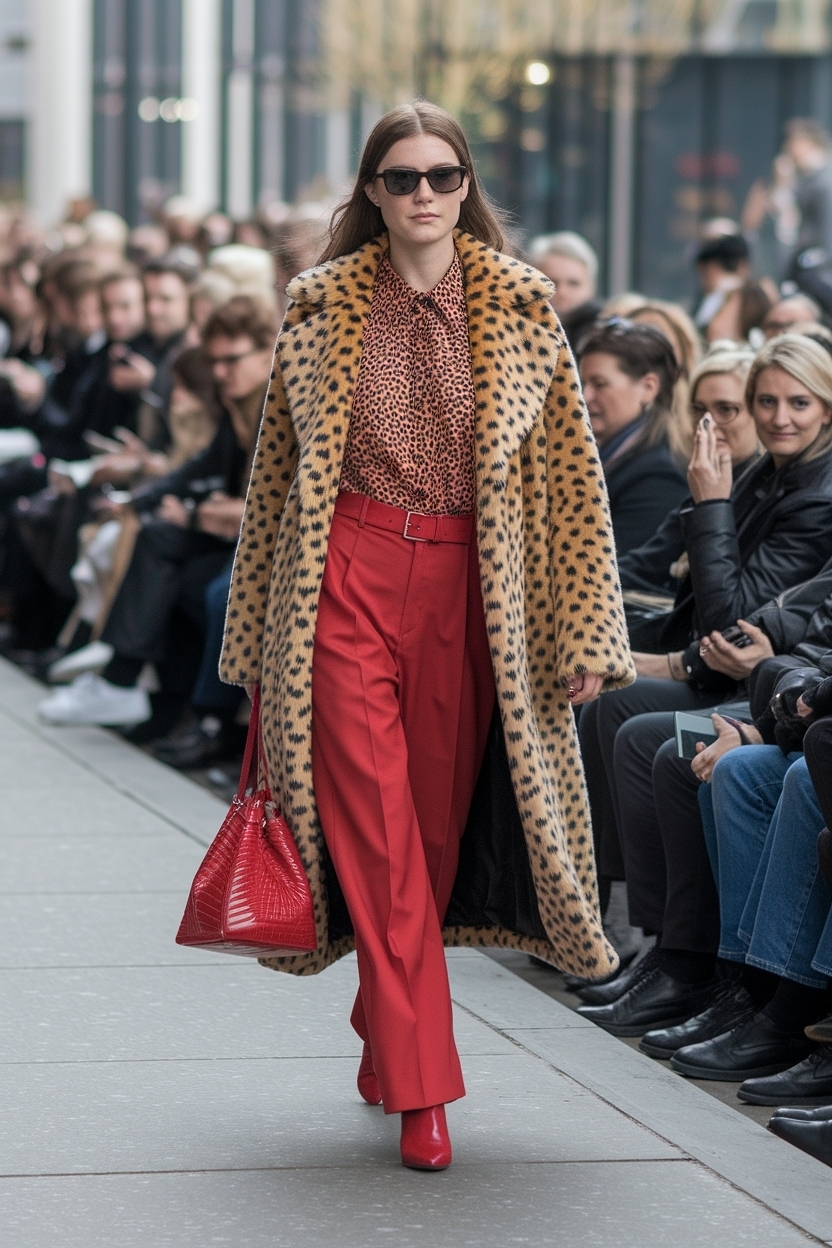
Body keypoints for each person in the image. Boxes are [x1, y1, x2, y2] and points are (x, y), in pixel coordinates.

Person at [218, 102, 633, 1171]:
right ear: (369, 191)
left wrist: (585, 628)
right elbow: (273, 487)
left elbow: (574, 486)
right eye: (398, 178)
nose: (421, 196)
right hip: (344, 580)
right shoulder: (317, 307)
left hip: (470, 594)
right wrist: (254, 642)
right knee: (388, 847)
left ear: (466, 186)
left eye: (441, 176)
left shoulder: (523, 308)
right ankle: (424, 1092)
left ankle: (386, 1014)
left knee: (435, 839)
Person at [579, 334, 832, 936]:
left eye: (798, 403)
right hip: (743, 673)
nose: (779, 418)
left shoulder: (811, 494)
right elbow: (650, 570)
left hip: (768, 689)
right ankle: (621, 924)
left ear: (825, 407)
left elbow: (733, 625)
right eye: (765, 402)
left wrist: (712, 505)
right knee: (605, 697)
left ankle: (660, 943)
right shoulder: (762, 474)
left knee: (640, 728)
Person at [38, 296, 276, 732]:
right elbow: (197, 468)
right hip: (232, 534)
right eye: (215, 361)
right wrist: (134, 502)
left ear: (267, 351)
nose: (219, 372)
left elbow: (274, 504)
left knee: (203, 587)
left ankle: (196, 716)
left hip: (268, 545)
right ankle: (124, 682)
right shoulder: (237, 405)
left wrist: (198, 510)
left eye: (231, 360)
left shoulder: (278, 404)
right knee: (156, 537)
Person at [577, 320, 688, 556]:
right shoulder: (601, 456)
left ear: (648, 388)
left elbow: (611, 569)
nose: (584, 396)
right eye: (582, 383)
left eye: (600, 384)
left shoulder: (658, 477)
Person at [528, 231, 601, 350]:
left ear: (591, 286)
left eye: (573, 283)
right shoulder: (515, 332)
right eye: (551, 283)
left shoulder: (605, 339)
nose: (562, 292)